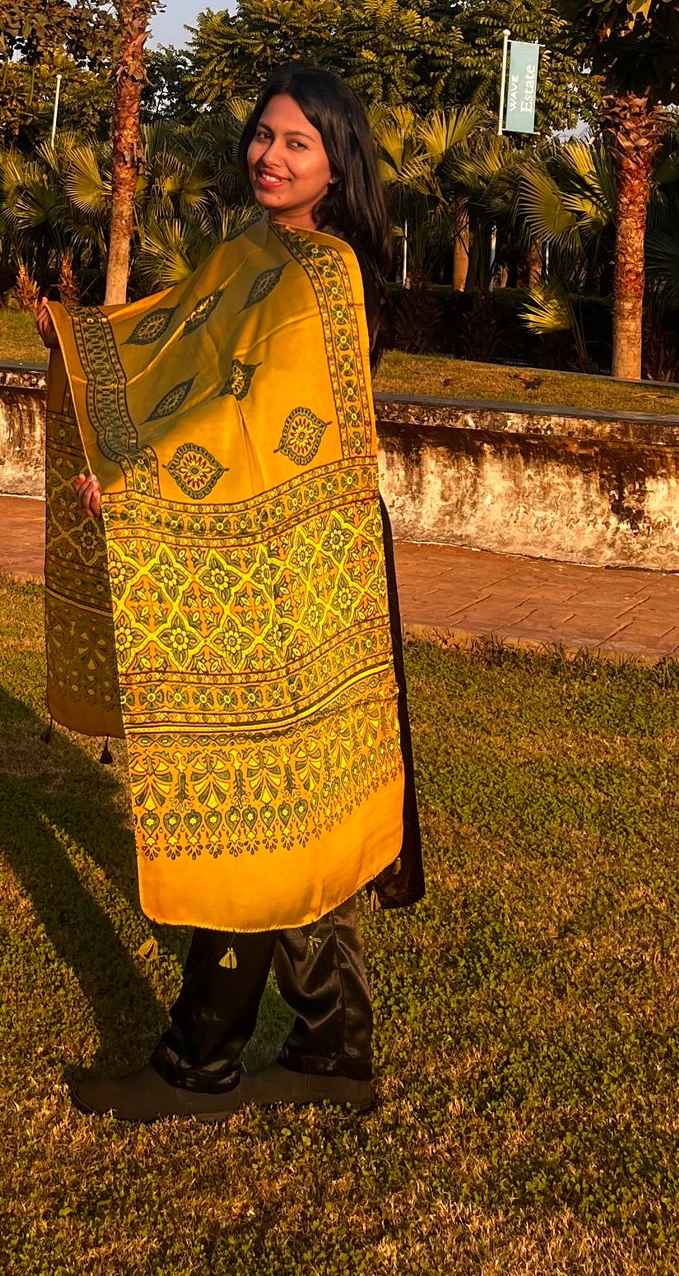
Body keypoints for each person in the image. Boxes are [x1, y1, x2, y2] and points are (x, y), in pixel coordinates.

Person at [38, 64, 423, 1121]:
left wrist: (137, 479)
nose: (270, 156)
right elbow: (181, 364)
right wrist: (83, 359)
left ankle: (197, 1065)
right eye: (262, 136)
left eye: (297, 143)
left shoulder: (326, 276)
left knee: (267, 802)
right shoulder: (244, 254)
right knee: (283, 808)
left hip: (307, 561)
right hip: (237, 557)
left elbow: (262, 426)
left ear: (338, 163)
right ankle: (330, 1049)